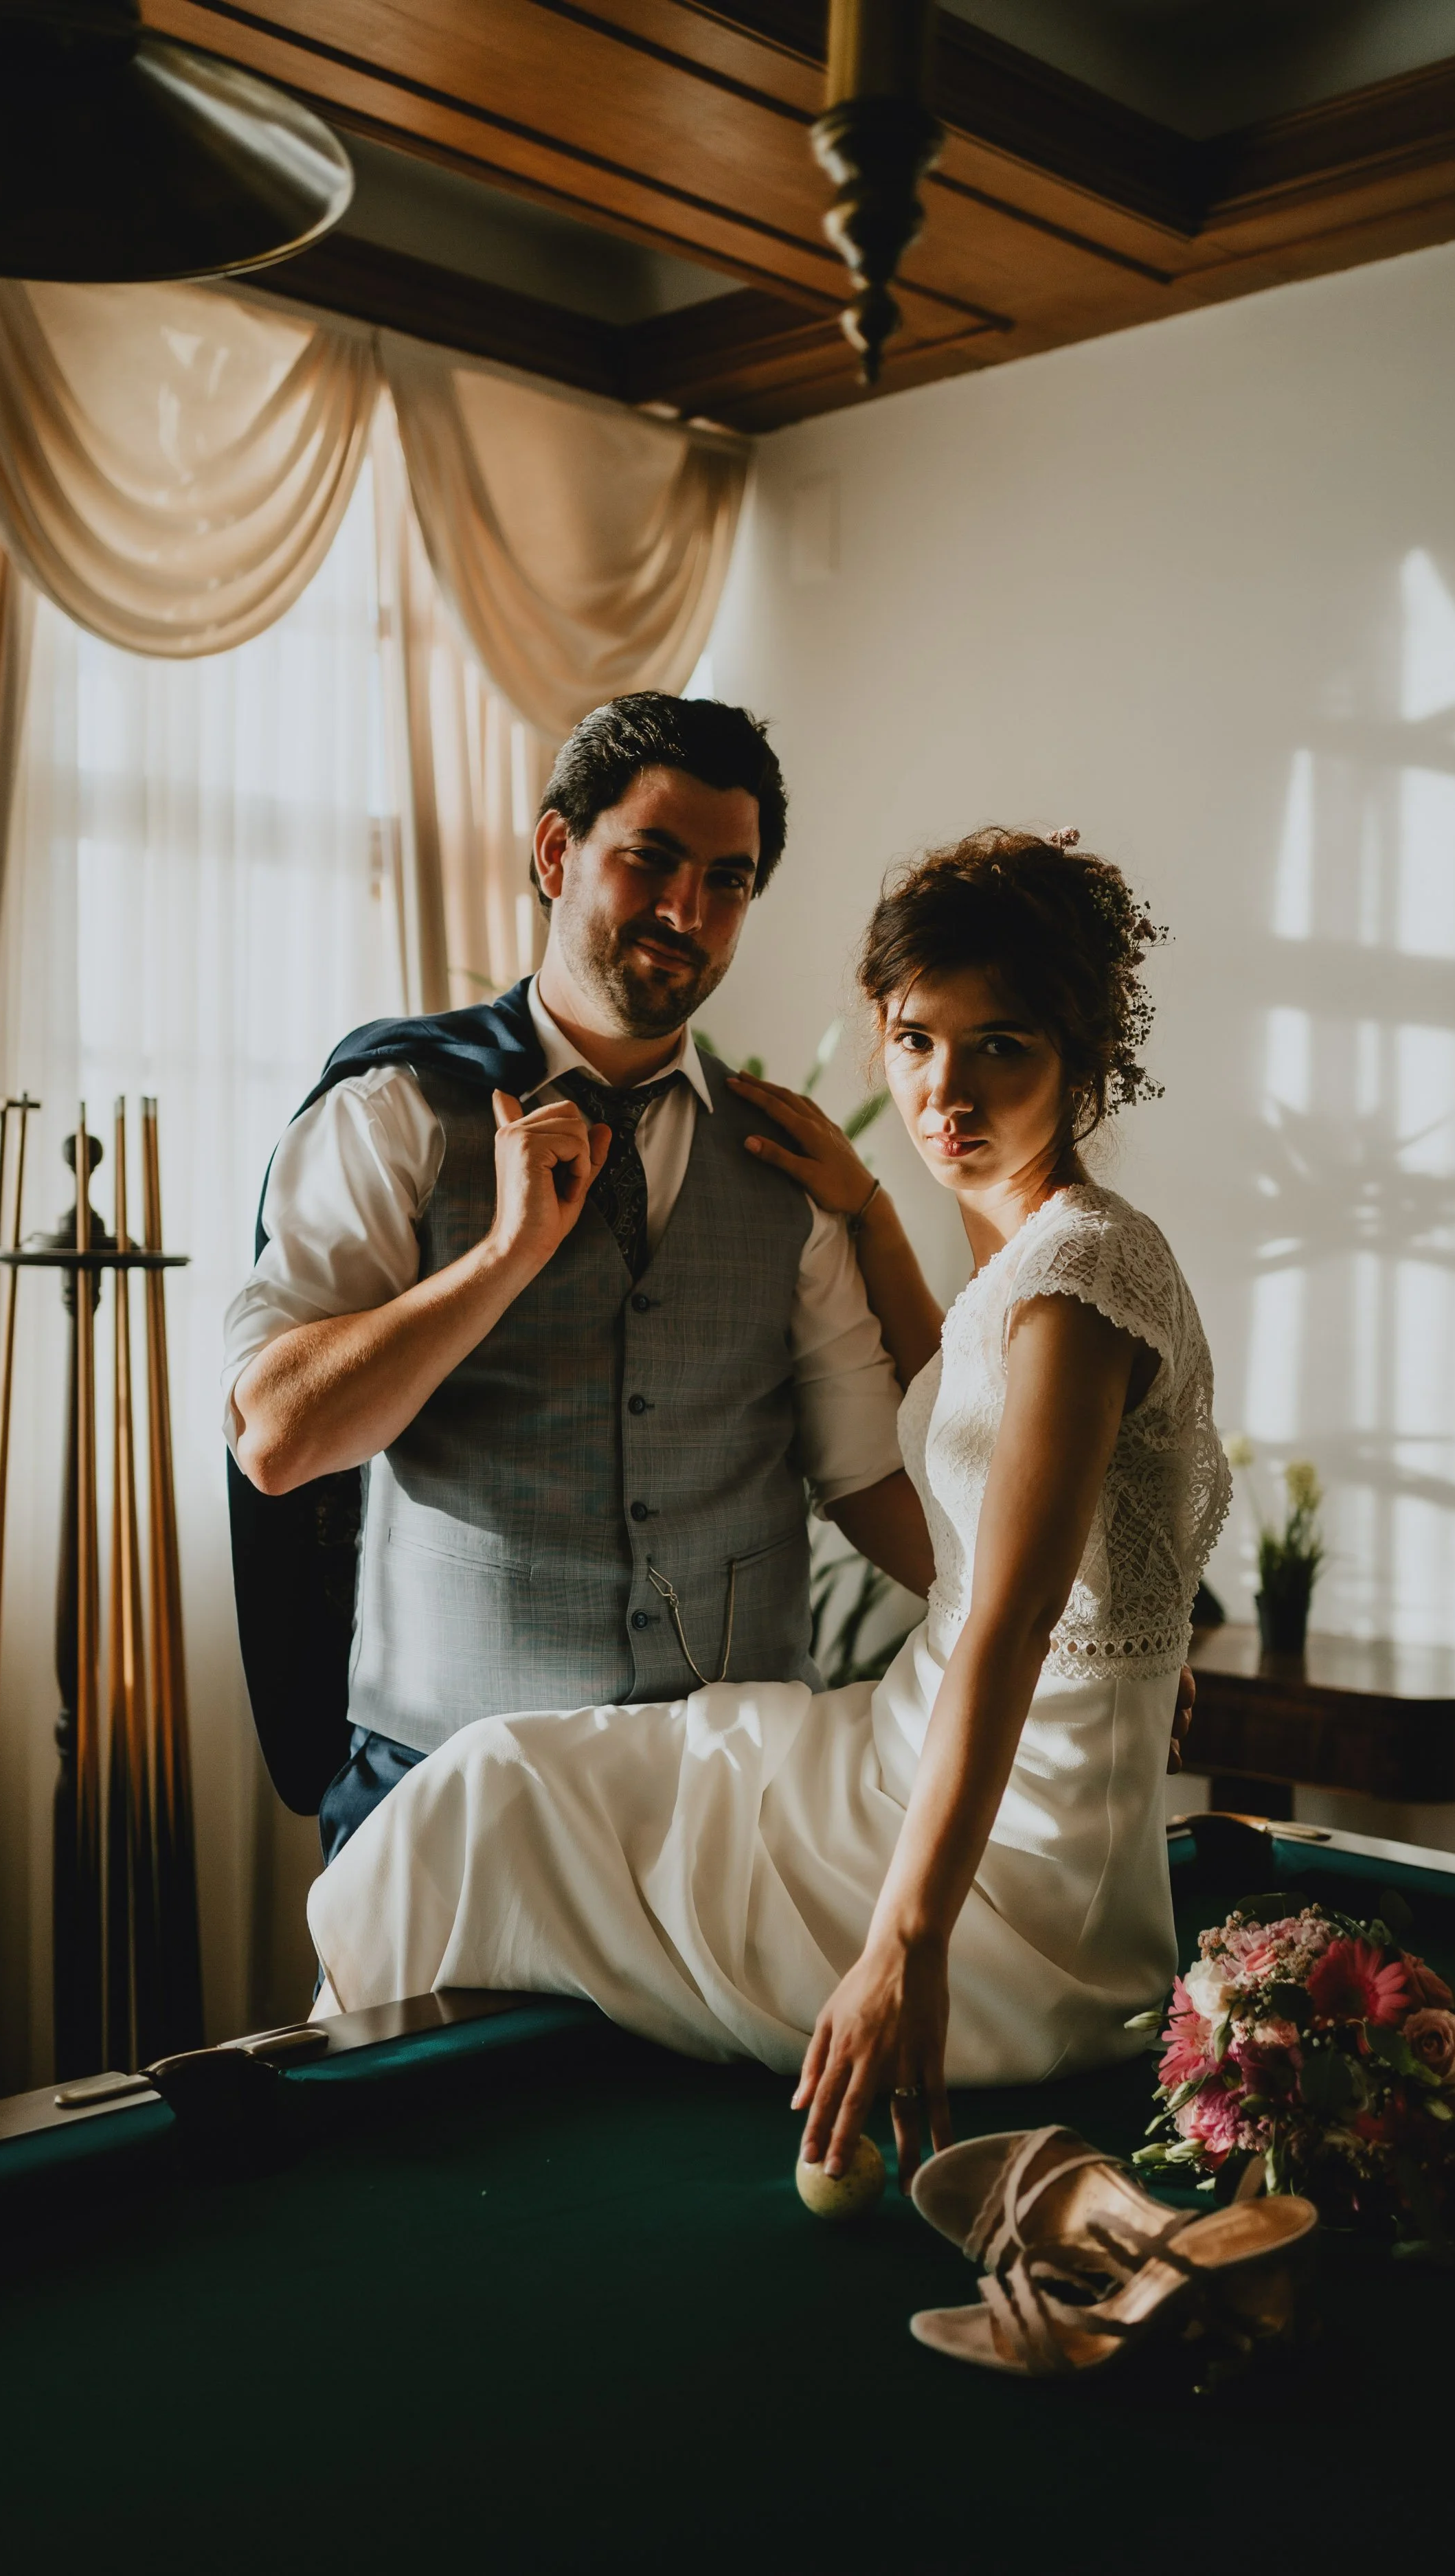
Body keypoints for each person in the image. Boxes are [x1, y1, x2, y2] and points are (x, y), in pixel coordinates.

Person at [306, 827, 1231, 2190]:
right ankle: (366, 2134)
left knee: (494, 1794)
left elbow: (1010, 1624)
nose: (945, 1091)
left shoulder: (1079, 1270)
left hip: (1008, 1866)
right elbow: (965, 1406)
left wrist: (901, 1947)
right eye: (916, 1040)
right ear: (875, 1031)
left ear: (1082, 1057)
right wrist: (861, 1208)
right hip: (922, 1743)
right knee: (498, 1783)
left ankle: (329, 2152)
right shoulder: (1028, 1253)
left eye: (1001, 1047)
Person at [223, 694, 926, 1860]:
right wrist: (502, 1262)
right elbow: (278, 1437)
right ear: (558, 852)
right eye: (649, 860)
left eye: (728, 880)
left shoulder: (786, 1167)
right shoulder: (393, 1112)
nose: (685, 911)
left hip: (724, 1821)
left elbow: (867, 1477)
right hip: (447, 1809)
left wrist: (1074, 1637)